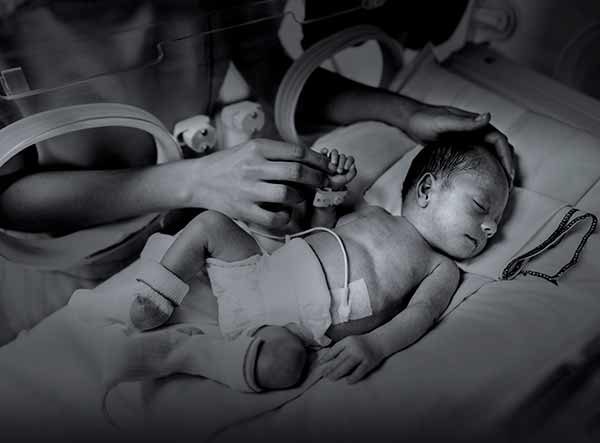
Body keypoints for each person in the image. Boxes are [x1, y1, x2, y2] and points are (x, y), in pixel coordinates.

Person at [0, 1, 515, 341]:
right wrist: (193, 178)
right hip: (81, 248)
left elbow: (273, 76)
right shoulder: (14, 27)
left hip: (214, 240)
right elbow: (8, 193)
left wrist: (404, 113)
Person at [122, 138, 510, 390]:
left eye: (494, 226)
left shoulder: (442, 268)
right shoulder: (371, 213)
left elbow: (422, 314)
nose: (490, 226)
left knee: (285, 366)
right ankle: (156, 295)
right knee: (210, 224)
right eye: (480, 207)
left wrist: (376, 345)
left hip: (291, 328)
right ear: (426, 190)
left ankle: (190, 354)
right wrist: (329, 192)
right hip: (263, 269)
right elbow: (321, 232)